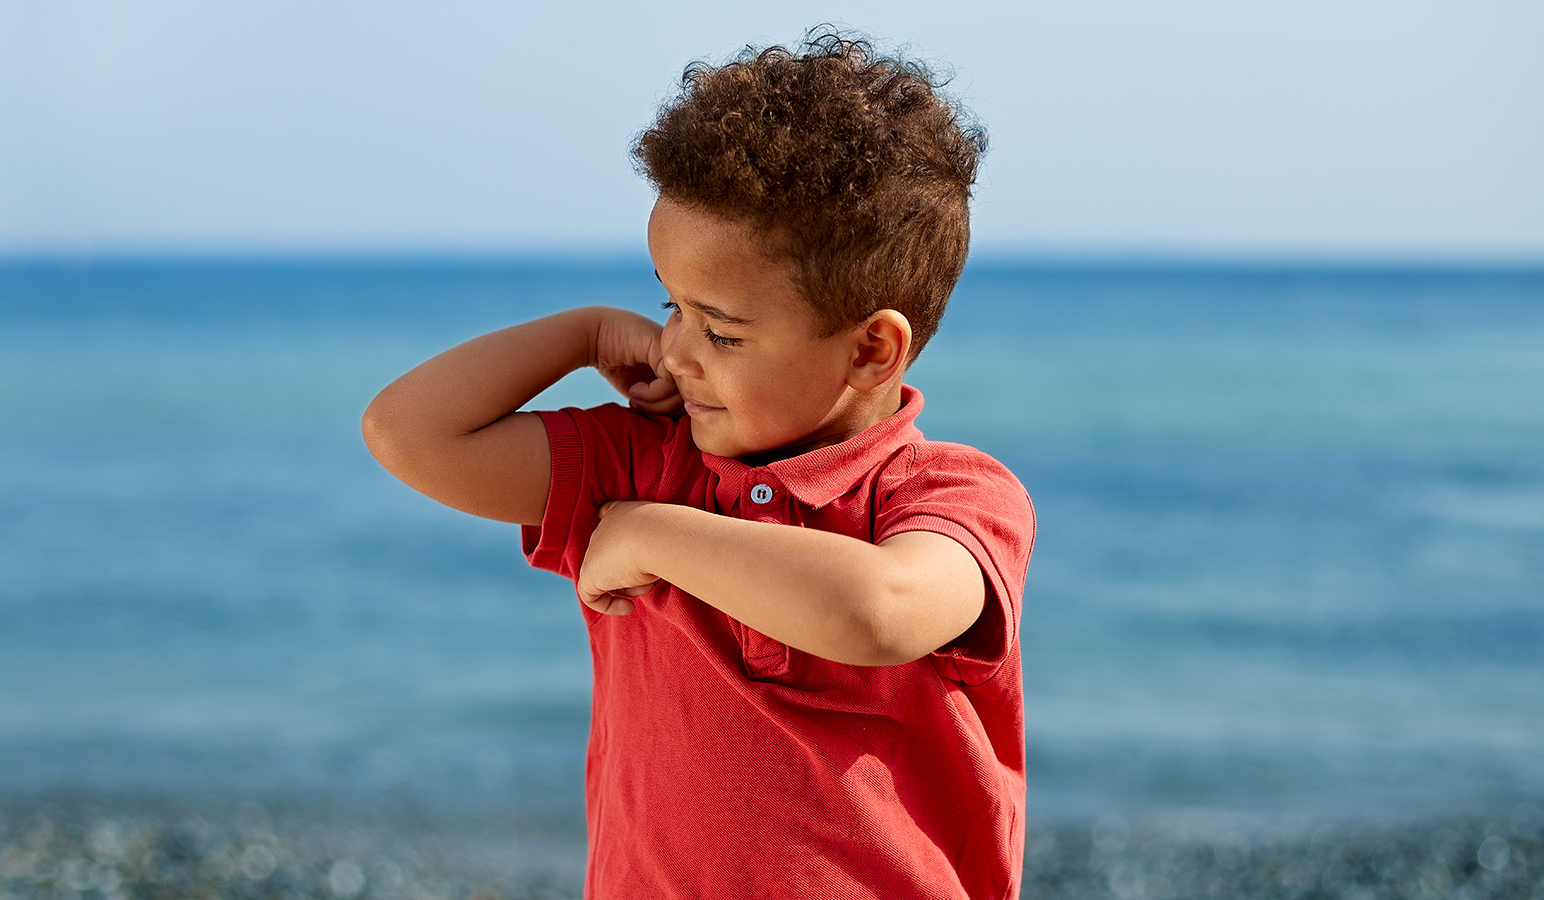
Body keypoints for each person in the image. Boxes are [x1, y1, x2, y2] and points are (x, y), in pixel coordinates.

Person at [360, 28, 1037, 899]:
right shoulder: (639, 460)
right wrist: (584, 332)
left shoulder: (951, 495)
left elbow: (879, 608)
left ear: (872, 349)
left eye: (719, 329)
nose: (677, 350)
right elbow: (407, 434)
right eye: (666, 302)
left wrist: (652, 536)